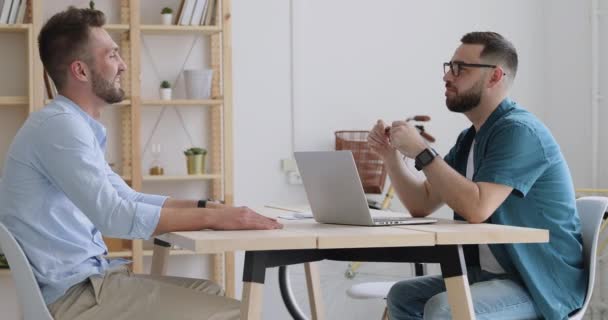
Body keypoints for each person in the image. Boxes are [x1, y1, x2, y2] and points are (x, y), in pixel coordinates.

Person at [0, 6, 282, 320]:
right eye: (112, 55)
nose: (122, 66)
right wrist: (215, 219)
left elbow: (127, 198)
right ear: (80, 71)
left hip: (92, 284)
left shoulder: (68, 125)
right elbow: (114, 216)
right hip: (77, 297)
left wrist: (208, 207)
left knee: (208, 292)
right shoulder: (60, 127)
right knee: (239, 312)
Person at [368, 31, 584, 319]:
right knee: (404, 296)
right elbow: (421, 202)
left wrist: (422, 151)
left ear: (495, 77)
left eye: (461, 69)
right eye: (449, 67)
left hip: (538, 282)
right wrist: (390, 156)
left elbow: (477, 208)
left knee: (443, 309)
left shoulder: (520, 132)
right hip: (491, 276)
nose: (447, 77)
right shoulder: (471, 138)